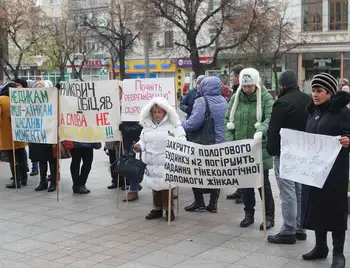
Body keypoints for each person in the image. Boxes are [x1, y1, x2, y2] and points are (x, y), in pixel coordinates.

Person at [300, 73, 350, 268]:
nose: (315, 94)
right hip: (315, 172)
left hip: (335, 173)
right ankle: (321, 247)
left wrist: (348, 140)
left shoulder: (342, 112)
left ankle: (339, 253)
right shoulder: (312, 112)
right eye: (313, 90)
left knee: (336, 211)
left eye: (319, 91)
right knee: (317, 209)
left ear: (329, 93)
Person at [225, 68, 275, 230]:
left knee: (263, 184)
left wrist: (261, 131)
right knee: (246, 184)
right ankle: (249, 214)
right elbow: (228, 121)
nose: (247, 89)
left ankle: (268, 216)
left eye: (250, 86)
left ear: (256, 84)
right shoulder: (235, 98)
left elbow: (270, 118)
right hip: (241, 150)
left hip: (259, 148)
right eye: (244, 86)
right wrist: (230, 142)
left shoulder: (266, 98)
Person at [266, 70, 312, 244]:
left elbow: (273, 129)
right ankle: (301, 227)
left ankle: (288, 230)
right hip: (303, 152)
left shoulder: (281, 103)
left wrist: (272, 150)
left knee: (287, 191)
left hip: (285, 152)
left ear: (282, 85)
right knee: (299, 189)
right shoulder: (307, 100)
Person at [133, 97, 186, 221]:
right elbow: (144, 139)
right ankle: (156, 209)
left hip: (166, 161)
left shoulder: (173, 124)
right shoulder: (147, 124)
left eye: (159, 112)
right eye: (155, 112)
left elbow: (183, 140)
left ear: (165, 112)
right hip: (151, 162)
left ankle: (169, 210)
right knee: (155, 187)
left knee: (166, 188)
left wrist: (174, 139)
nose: (157, 114)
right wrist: (139, 146)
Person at [182, 76, 228, 213]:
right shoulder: (225, 101)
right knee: (216, 174)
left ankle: (199, 201)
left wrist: (179, 124)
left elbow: (192, 124)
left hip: (204, 144)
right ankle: (213, 203)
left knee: (194, 171)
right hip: (220, 143)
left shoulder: (201, 101)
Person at [30, 80, 57, 192]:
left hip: (50, 134)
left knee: (52, 160)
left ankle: (53, 182)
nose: (39, 88)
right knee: (41, 159)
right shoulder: (33, 101)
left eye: (41, 86)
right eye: (37, 86)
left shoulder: (53, 100)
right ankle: (43, 181)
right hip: (38, 135)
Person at [0, 82, 28, 188]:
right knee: (21, 157)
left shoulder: (2, 100)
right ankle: (24, 179)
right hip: (20, 133)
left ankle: (16, 181)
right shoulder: (20, 99)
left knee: (13, 159)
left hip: (8, 135)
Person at [227, 64, 245, 203]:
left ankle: (245, 192)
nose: (231, 79)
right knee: (238, 165)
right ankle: (240, 190)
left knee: (244, 166)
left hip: (244, 134)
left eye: (232, 76)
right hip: (237, 132)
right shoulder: (234, 91)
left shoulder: (242, 91)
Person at [14, 78, 39, 176]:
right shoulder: (16, 97)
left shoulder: (31, 96)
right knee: (22, 148)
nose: (17, 87)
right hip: (22, 125)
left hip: (32, 125)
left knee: (34, 147)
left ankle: (35, 168)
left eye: (18, 85)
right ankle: (24, 168)